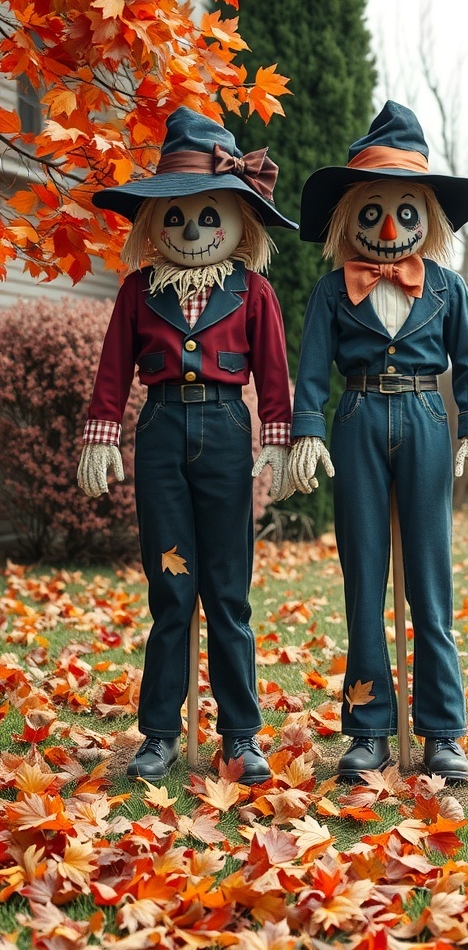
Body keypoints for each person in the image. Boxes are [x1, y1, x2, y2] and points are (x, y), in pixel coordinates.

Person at [78, 107, 296, 784]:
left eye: (208, 216)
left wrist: (280, 439)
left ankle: (241, 734)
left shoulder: (252, 292)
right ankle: (160, 733)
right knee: (171, 592)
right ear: (153, 224)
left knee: (229, 593)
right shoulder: (138, 293)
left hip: (228, 434)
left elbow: (275, 373)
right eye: (175, 217)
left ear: (238, 221)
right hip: (164, 434)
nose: (193, 229)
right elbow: (113, 370)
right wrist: (103, 432)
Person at [289, 101, 468, 783]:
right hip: (356, 421)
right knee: (363, 580)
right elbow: (312, 368)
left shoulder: (448, 289)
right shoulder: (329, 292)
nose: (389, 225)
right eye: (375, 210)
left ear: (427, 216)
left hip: (424, 422)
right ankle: (369, 729)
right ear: (352, 215)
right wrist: (308, 431)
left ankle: (442, 731)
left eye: (406, 211)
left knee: (431, 586)